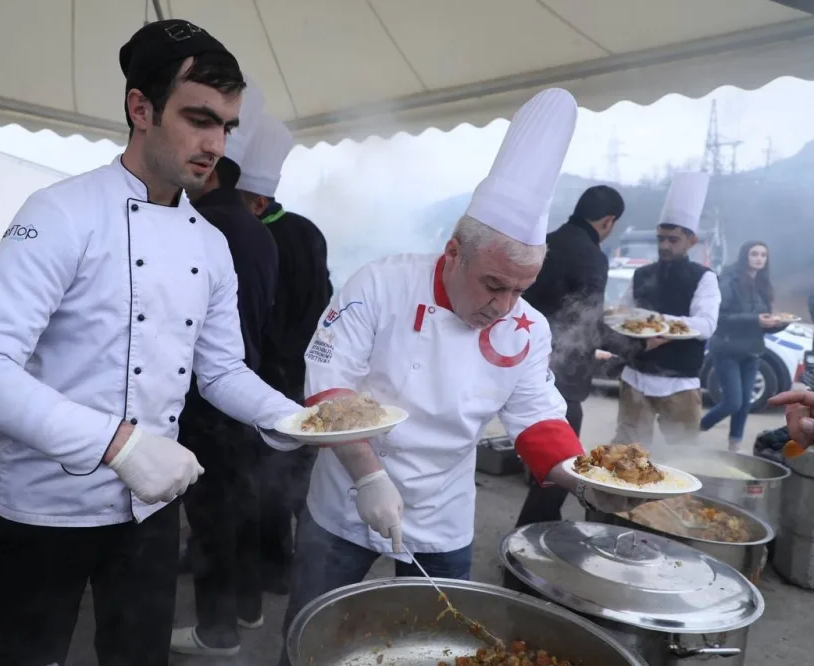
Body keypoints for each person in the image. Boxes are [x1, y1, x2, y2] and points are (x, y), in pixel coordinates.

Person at [0, 20, 307, 666]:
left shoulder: (210, 244)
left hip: (149, 510)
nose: (216, 144)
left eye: (226, 126)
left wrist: (295, 418)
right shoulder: (61, 213)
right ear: (141, 108)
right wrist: (122, 444)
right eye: (198, 119)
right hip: (44, 509)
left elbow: (221, 370)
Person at [276, 88, 644, 666]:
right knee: (310, 635)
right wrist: (369, 476)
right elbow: (328, 385)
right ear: (453, 252)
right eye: (494, 284)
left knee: (439, 649)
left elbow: (537, 418)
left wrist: (587, 482)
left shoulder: (526, 327)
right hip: (348, 494)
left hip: (441, 510)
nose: (505, 306)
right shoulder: (380, 285)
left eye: (520, 289)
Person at [171, 104, 281, 655]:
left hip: (204, 398)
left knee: (211, 515)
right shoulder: (259, 233)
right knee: (242, 504)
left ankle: (215, 632)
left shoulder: (198, 225)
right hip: (248, 384)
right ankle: (249, 607)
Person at [238, 115, 334, 594]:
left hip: (266, 377)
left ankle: (274, 570)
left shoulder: (255, 239)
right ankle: (309, 563)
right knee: (299, 476)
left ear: (258, 202)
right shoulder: (308, 231)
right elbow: (325, 302)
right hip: (306, 375)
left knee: (268, 476)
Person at [514, 185, 627, 526]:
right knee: (561, 461)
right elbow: (587, 322)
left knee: (538, 453)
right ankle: (531, 535)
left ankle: (542, 522)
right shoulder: (591, 256)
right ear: (608, 221)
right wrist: (633, 346)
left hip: (518, 356)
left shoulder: (545, 242)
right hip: (561, 374)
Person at [612, 172, 720, 447]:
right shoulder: (641, 274)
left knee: (682, 454)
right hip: (635, 377)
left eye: (673, 240)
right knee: (628, 453)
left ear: (691, 241)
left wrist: (655, 321)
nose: (664, 246)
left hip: (679, 383)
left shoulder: (704, 278)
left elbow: (706, 325)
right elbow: (622, 315)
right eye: (661, 238)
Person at [701, 241, 785, 451]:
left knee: (745, 403)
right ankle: (695, 429)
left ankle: (734, 447)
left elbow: (763, 324)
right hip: (727, 349)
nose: (759, 258)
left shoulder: (763, 283)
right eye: (754, 254)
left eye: (763, 255)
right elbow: (720, 318)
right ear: (744, 256)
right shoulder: (729, 280)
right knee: (733, 402)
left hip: (752, 351)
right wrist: (756, 320)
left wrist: (779, 323)